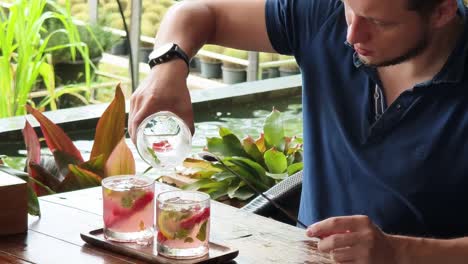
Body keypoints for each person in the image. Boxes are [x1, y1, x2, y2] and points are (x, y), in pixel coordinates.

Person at [128, 0, 468, 262]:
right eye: (350, 7)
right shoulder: (325, 15)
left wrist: (398, 254)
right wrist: (167, 69)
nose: (351, 35)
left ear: (442, 12)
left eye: (379, 22)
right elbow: (197, 10)